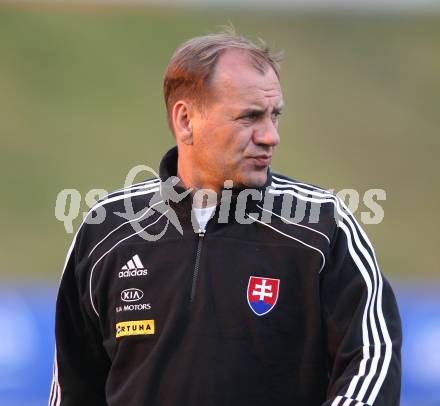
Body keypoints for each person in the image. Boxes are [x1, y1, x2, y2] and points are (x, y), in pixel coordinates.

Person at [49, 29, 402, 406]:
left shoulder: (322, 226)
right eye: (250, 117)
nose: (270, 136)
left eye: (274, 115)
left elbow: (372, 359)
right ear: (186, 120)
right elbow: (74, 387)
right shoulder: (107, 229)